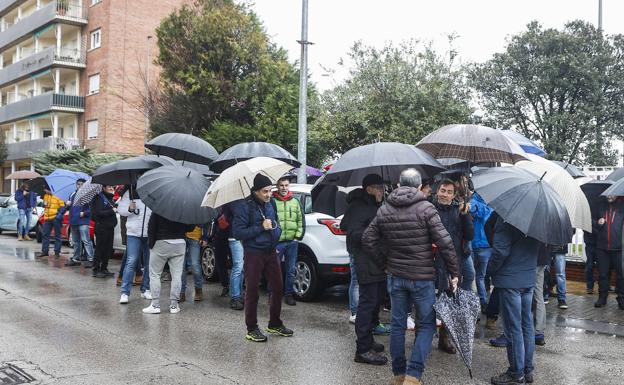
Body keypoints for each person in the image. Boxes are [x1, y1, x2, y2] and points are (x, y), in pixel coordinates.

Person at [362, 168, 459, 385]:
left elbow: (368, 239)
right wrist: (455, 272)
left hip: (396, 276)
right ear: (417, 187)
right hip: (422, 278)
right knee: (426, 326)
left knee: (397, 325)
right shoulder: (427, 208)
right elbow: (445, 242)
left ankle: (398, 375)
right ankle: (413, 376)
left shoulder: (385, 209)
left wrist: (384, 264)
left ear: (398, 185)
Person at [232, 174, 293, 343]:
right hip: (253, 253)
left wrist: (276, 231)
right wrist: (260, 227)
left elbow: (276, 222)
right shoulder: (245, 206)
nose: (269, 194)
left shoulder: (271, 202)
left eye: (270, 191)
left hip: (271, 251)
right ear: (256, 191)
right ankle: (251, 328)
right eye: (265, 191)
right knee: (252, 290)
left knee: (278, 287)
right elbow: (238, 232)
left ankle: (275, 323)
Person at [341, 173, 388, 366]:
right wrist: (374, 230)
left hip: (376, 260)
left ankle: (368, 340)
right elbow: (352, 233)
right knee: (367, 305)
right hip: (366, 261)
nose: (382, 191)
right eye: (379, 188)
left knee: (374, 303)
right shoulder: (360, 206)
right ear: (369, 189)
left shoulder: (372, 205)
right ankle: (362, 350)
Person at [488, 215, 540, 385]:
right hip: (528, 277)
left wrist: (489, 271)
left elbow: (500, 251)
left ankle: (516, 373)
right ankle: (527, 370)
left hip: (510, 279)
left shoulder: (506, 219)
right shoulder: (536, 220)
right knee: (527, 326)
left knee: (513, 328)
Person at [433, 178, 473, 354]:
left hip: (453, 262)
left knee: (450, 301)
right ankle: (423, 335)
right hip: (431, 261)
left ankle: (445, 338)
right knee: (427, 300)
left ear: (454, 195)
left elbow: (470, 235)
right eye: (443, 190)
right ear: (437, 191)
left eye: (449, 192)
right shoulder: (429, 208)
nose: (445, 195)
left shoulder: (460, 210)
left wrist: (465, 216)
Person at [143, 213, 194, 314]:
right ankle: (174, 306)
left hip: (161, 242)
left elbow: (151, 227)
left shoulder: (159, 207)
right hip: (179, 243)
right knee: (177, 276)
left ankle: (155, 305)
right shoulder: (183, 208)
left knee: (155, 274)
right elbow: (190, 227)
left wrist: (151, 245)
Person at [272, 177, 304, 306]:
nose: (284, 188)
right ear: (277, 186)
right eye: (281, 185)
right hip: (277, 242)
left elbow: (301, 221)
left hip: (292, 242)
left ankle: (289, 294)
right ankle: (273, 294)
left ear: (289, 186)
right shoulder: (272, 202)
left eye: (286, 185)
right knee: (274, 269)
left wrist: (297, 237)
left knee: (291, 270)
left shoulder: (295, 202)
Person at [118, 187, 152, 304]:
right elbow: (121, 210)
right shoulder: (131, 191)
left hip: (149, 233)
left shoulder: (152, 190)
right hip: (133, 233)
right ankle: (125, 292)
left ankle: (146, 289)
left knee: (149, 263)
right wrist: (129, 208)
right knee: (131, 261)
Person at [593, 195, 624, 309]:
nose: (609, 196)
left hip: (619, 248)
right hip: (602, 247)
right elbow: (592, 224)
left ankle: (621, 299)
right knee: (602, 274)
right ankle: (602, 298)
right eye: (608, 194)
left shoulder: (622, 207)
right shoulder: (600, 206)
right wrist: (597, 223)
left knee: (621, 275)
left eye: (612, 194)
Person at [471, 192, 493, 310]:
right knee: (480, 276)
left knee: (473, 276)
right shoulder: (492, 203)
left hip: (475, 244)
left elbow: (475, 211)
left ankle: (479, 302)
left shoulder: (472, 201)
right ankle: (483, 302)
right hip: (485, 245)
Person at [64, 179, 94, 268]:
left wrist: (85, 213)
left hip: (83, 221)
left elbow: (92, 208)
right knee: (76, 241)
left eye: (82, 184)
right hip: (73, 221)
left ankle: (91, 259)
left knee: (86, 240)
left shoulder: (88, 195)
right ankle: (76, 258)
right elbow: (68, 208)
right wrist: (67, 205)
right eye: (78, 184)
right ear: (76, 185)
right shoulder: (72, 194)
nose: (80, 186)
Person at [91, 185, 118, 278]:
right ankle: (96, 269)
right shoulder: (99, 198)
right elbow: (98, 213)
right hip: (102, 228)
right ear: (103, 188)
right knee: (100, 249)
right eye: (109, 187)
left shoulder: (110, 198)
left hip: (110, 228)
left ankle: (104, 268)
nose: (112, 189)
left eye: (113, 187)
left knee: (108, 250)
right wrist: (112, 211)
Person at [224, 202, 245, 310]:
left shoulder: (250, 201)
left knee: (242, 269)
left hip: (246, 236)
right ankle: (235, 297)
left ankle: (239, 295)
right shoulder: (230, 203)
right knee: (238, 266)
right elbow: (225, 220)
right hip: (234, 236)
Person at [179, 224, 207, 303]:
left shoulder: (201, 211)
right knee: (181, 266)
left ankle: (198, 289)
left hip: (195, 237)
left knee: (195, 265)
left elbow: (206, 220)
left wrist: (204, 237)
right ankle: (181, 292)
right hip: (181, 236)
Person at [40, 188, 65, 258]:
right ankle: (45, 251)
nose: (44, 191)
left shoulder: (59, 195)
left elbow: (63, 207)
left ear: (49, 189)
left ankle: (57, 252)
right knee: (45, 235)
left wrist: (58, 216)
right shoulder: (45, 196)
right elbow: (45, 205)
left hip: (55, 218)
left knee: (57, 235)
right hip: (47, 218)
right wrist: (43, 204)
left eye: (45, 189)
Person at [552, 244, 569, 309]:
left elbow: (571, 233)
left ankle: (561, 298)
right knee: (544, 271)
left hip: (560, 247)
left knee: (560, 274)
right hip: (546, 245)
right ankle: (545, 294)